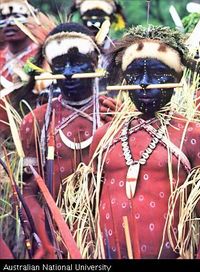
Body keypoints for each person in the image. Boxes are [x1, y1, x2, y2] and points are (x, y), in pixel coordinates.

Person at [89, 25, 200, 259]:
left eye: (156, 73)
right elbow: (89, 207)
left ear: (176, 77)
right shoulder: (105, 135)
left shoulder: (194, 135)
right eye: (135, 73)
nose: (143, 82)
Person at [20, 22, 105, 258]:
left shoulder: (114, 116)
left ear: (95, 63)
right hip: (54, 235)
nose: (68, 72)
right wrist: (43, 234)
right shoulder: (35, 122)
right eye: (59, 64)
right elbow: (28, 191)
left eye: (76, 62)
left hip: (106, 236)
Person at [0, 0, 39, 137]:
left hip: (30, 134)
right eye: (2, 17)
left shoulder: (42, 57)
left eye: (17, 16)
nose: (10, 22)